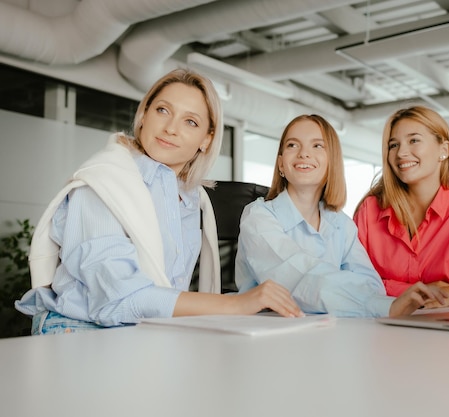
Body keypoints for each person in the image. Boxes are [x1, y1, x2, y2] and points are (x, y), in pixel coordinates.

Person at [15, 68, 302, 335]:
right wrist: (237, 304)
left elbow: (163, 291)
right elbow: (117, 299)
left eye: (190, 121)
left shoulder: (191, 199)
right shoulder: (104, 182)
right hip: (79, 332)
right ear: (144, 116)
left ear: (206, 139)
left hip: (144, 330)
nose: (171, 128)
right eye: (163, 110)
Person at [235, 114, 444, 317]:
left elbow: (371, 285)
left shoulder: (341, 224)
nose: (303, 154)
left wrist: (376, 301)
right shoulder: (258, 217)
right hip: (265, 333)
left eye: (317, 145)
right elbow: (300, 278)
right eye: (292, 145)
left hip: (327, 333)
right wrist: (382, 305)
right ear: (281, 163)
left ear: (332, 162)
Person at [353, 106, 449, 308]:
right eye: (393, 145)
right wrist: (422, 292)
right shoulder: (369, 211)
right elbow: (353, 280)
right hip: (384, 328)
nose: (401, 153)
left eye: (414, 140)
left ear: (444, 150)